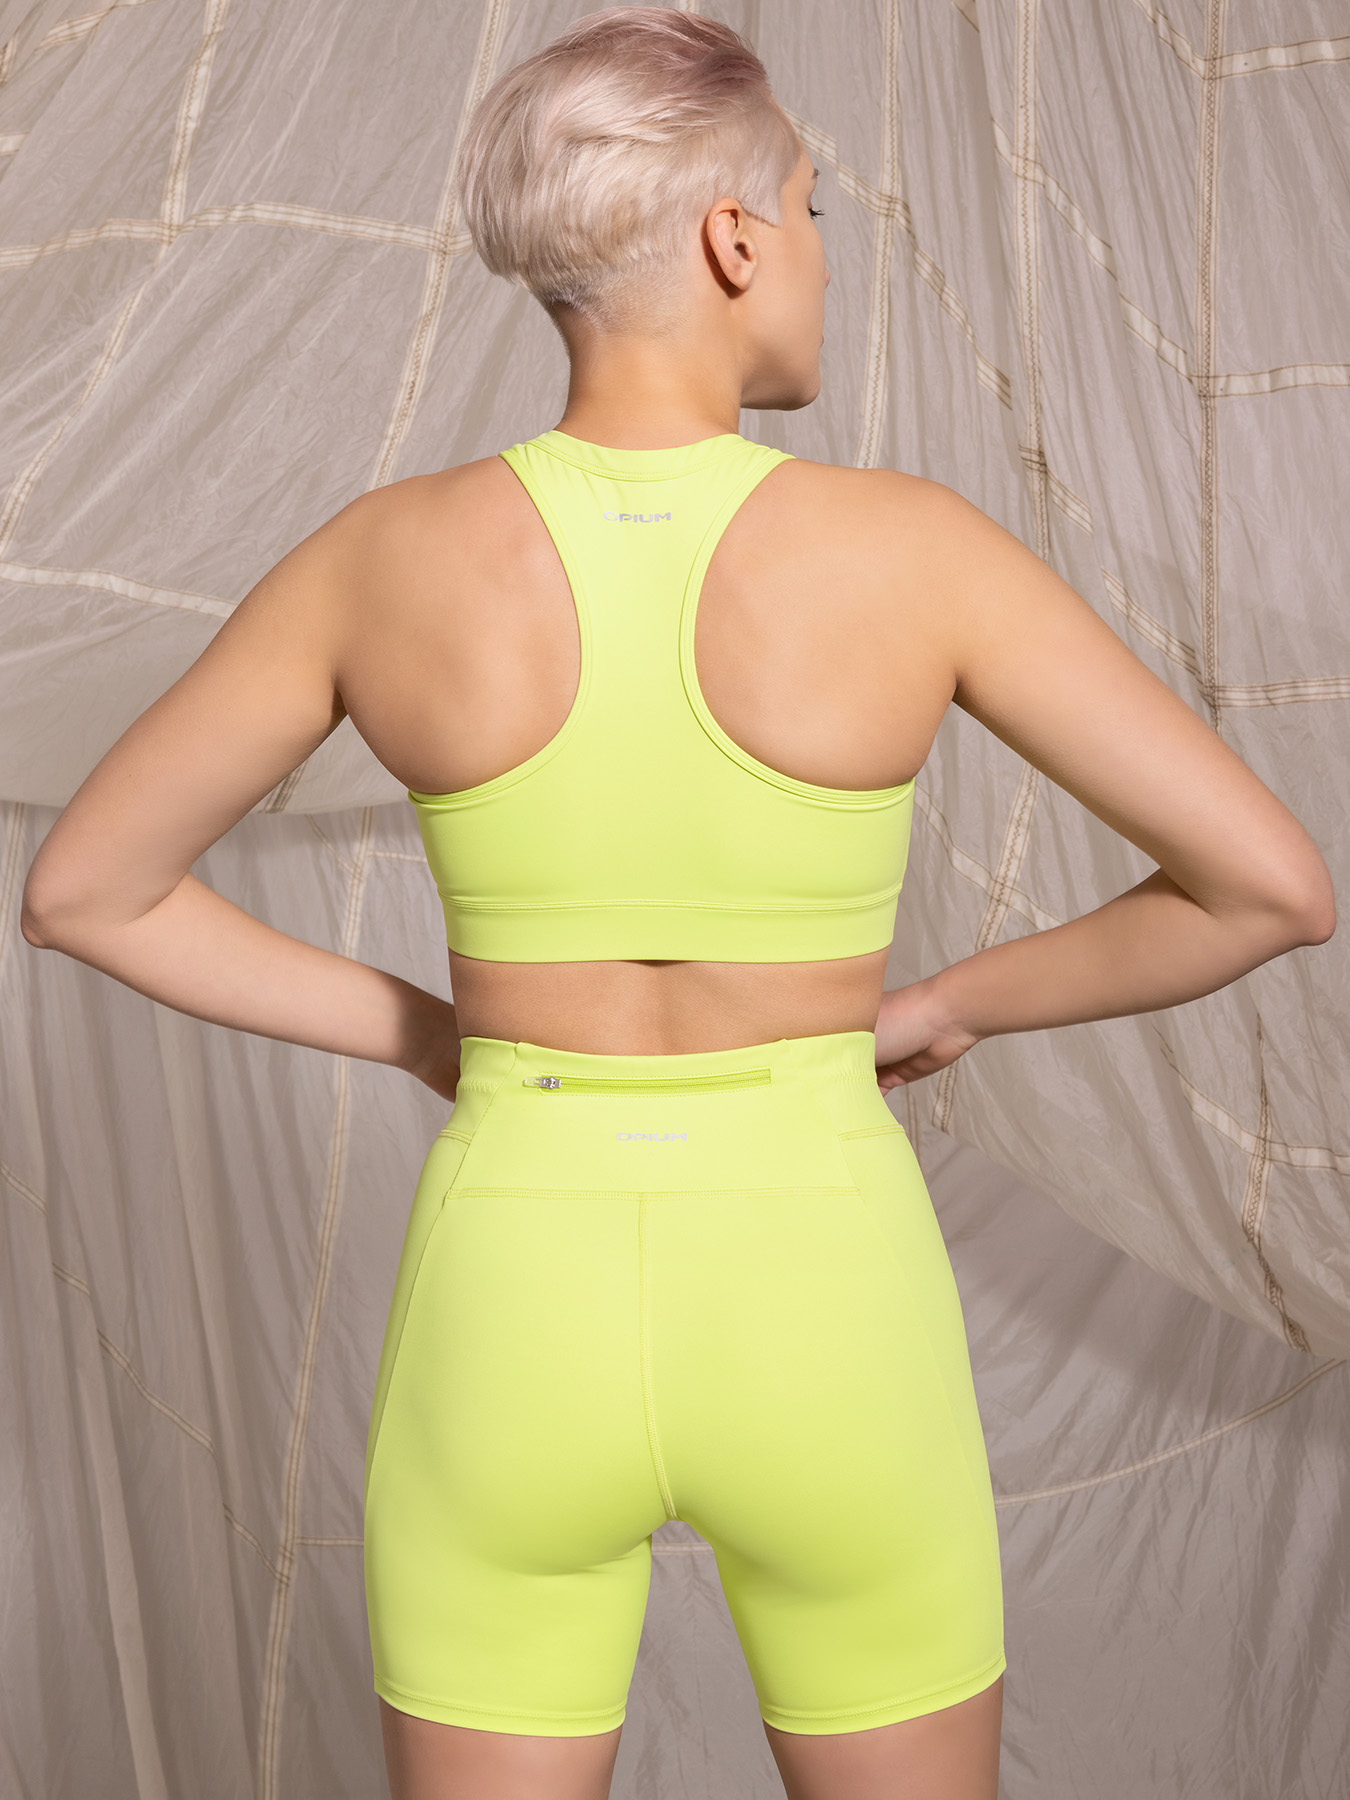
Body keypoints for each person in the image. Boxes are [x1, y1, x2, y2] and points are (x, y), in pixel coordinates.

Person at [20, 9, 1334, 1800]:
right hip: (819, 1283)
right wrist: (945, 1005)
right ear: (732, 238)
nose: (818, 251)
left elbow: (86, 890)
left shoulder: (378, 560)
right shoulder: (912, 549)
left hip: (516, 1288)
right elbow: (1268, 888)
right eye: (812, 209)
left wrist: (431, 1031)